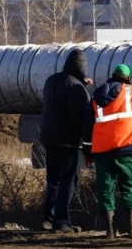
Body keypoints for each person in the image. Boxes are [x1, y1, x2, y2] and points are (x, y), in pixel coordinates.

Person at [82, 53, 132, 240]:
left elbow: (88, 126)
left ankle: (110, 231)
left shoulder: (96, 97)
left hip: (102, 151)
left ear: (112, 75)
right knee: (129, 187)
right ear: (128, 78)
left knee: (105, 188)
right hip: (127, 148)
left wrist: (87, 150)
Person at [39, 48, 93, 233]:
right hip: (69, 142)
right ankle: (62, 222)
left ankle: (48, 219)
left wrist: (80, 86)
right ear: (82, 67)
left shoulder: (51, 80)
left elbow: (58, 102)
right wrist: (87, 142)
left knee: (53, 180)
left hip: (49, 139)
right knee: (68, 181)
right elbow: (80, 117)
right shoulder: (75, 87)